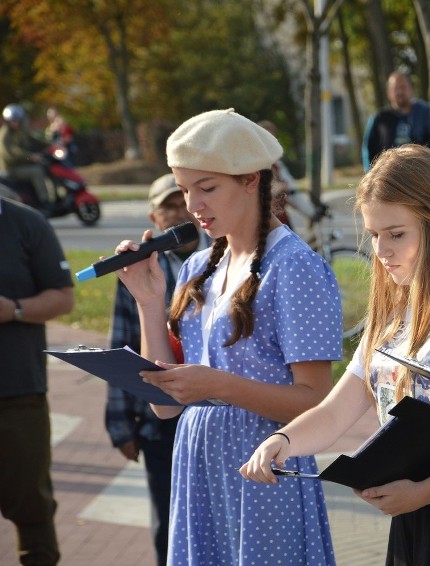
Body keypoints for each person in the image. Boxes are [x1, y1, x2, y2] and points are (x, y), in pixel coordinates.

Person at [240, 144, 430, 566]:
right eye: (374, 235)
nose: (381, 250)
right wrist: (281, 441)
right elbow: (336, 411)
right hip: (413, 515)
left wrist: (428, 490)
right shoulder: (393, 310)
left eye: (397, 234)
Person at [113, 108, 342, 564]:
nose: (193, 204)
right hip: (199, 460)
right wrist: (147, 300)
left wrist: (217, 386)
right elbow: (164, 403)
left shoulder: (295, 267)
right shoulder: (199, 267)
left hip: (265, 464)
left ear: (251, 180)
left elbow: (316, 400)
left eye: (207, 187)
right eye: (183, 188)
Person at [104, 173, 210, 566]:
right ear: (154, 217)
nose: (179, 211)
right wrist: (120, 421)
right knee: (169, 522)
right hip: (160, 419)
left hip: (210, 409)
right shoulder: (140, 268)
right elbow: (122, 342)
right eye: (168, 206)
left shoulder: (221, 257)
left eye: (184, 200)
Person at [0, 196, 74, 565]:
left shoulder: (27, 223)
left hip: (17, 393)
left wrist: (13, 310)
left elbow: (63, 298)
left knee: (32, 506)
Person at [362, 71, 430, 171]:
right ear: (388, 92)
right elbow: (368, 148)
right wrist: (369, 173)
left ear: (411, 89)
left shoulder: (425, 113)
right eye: (395, 88)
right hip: (388, 175)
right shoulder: (379, 118)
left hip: (420, 174)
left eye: (403, 87)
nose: (399, 92)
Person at [0, 103, 53, 209]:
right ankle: (44, 201)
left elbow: (34, 140)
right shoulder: (5, 135)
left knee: (45, 167)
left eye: (17, 120)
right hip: (11, 169)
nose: (16, 123)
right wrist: (30, 156)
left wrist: (51, 145)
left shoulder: (20, 132)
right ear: (7, 121)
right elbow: (13, 152)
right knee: (37, 171)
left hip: (22, 165)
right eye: (13, 120)